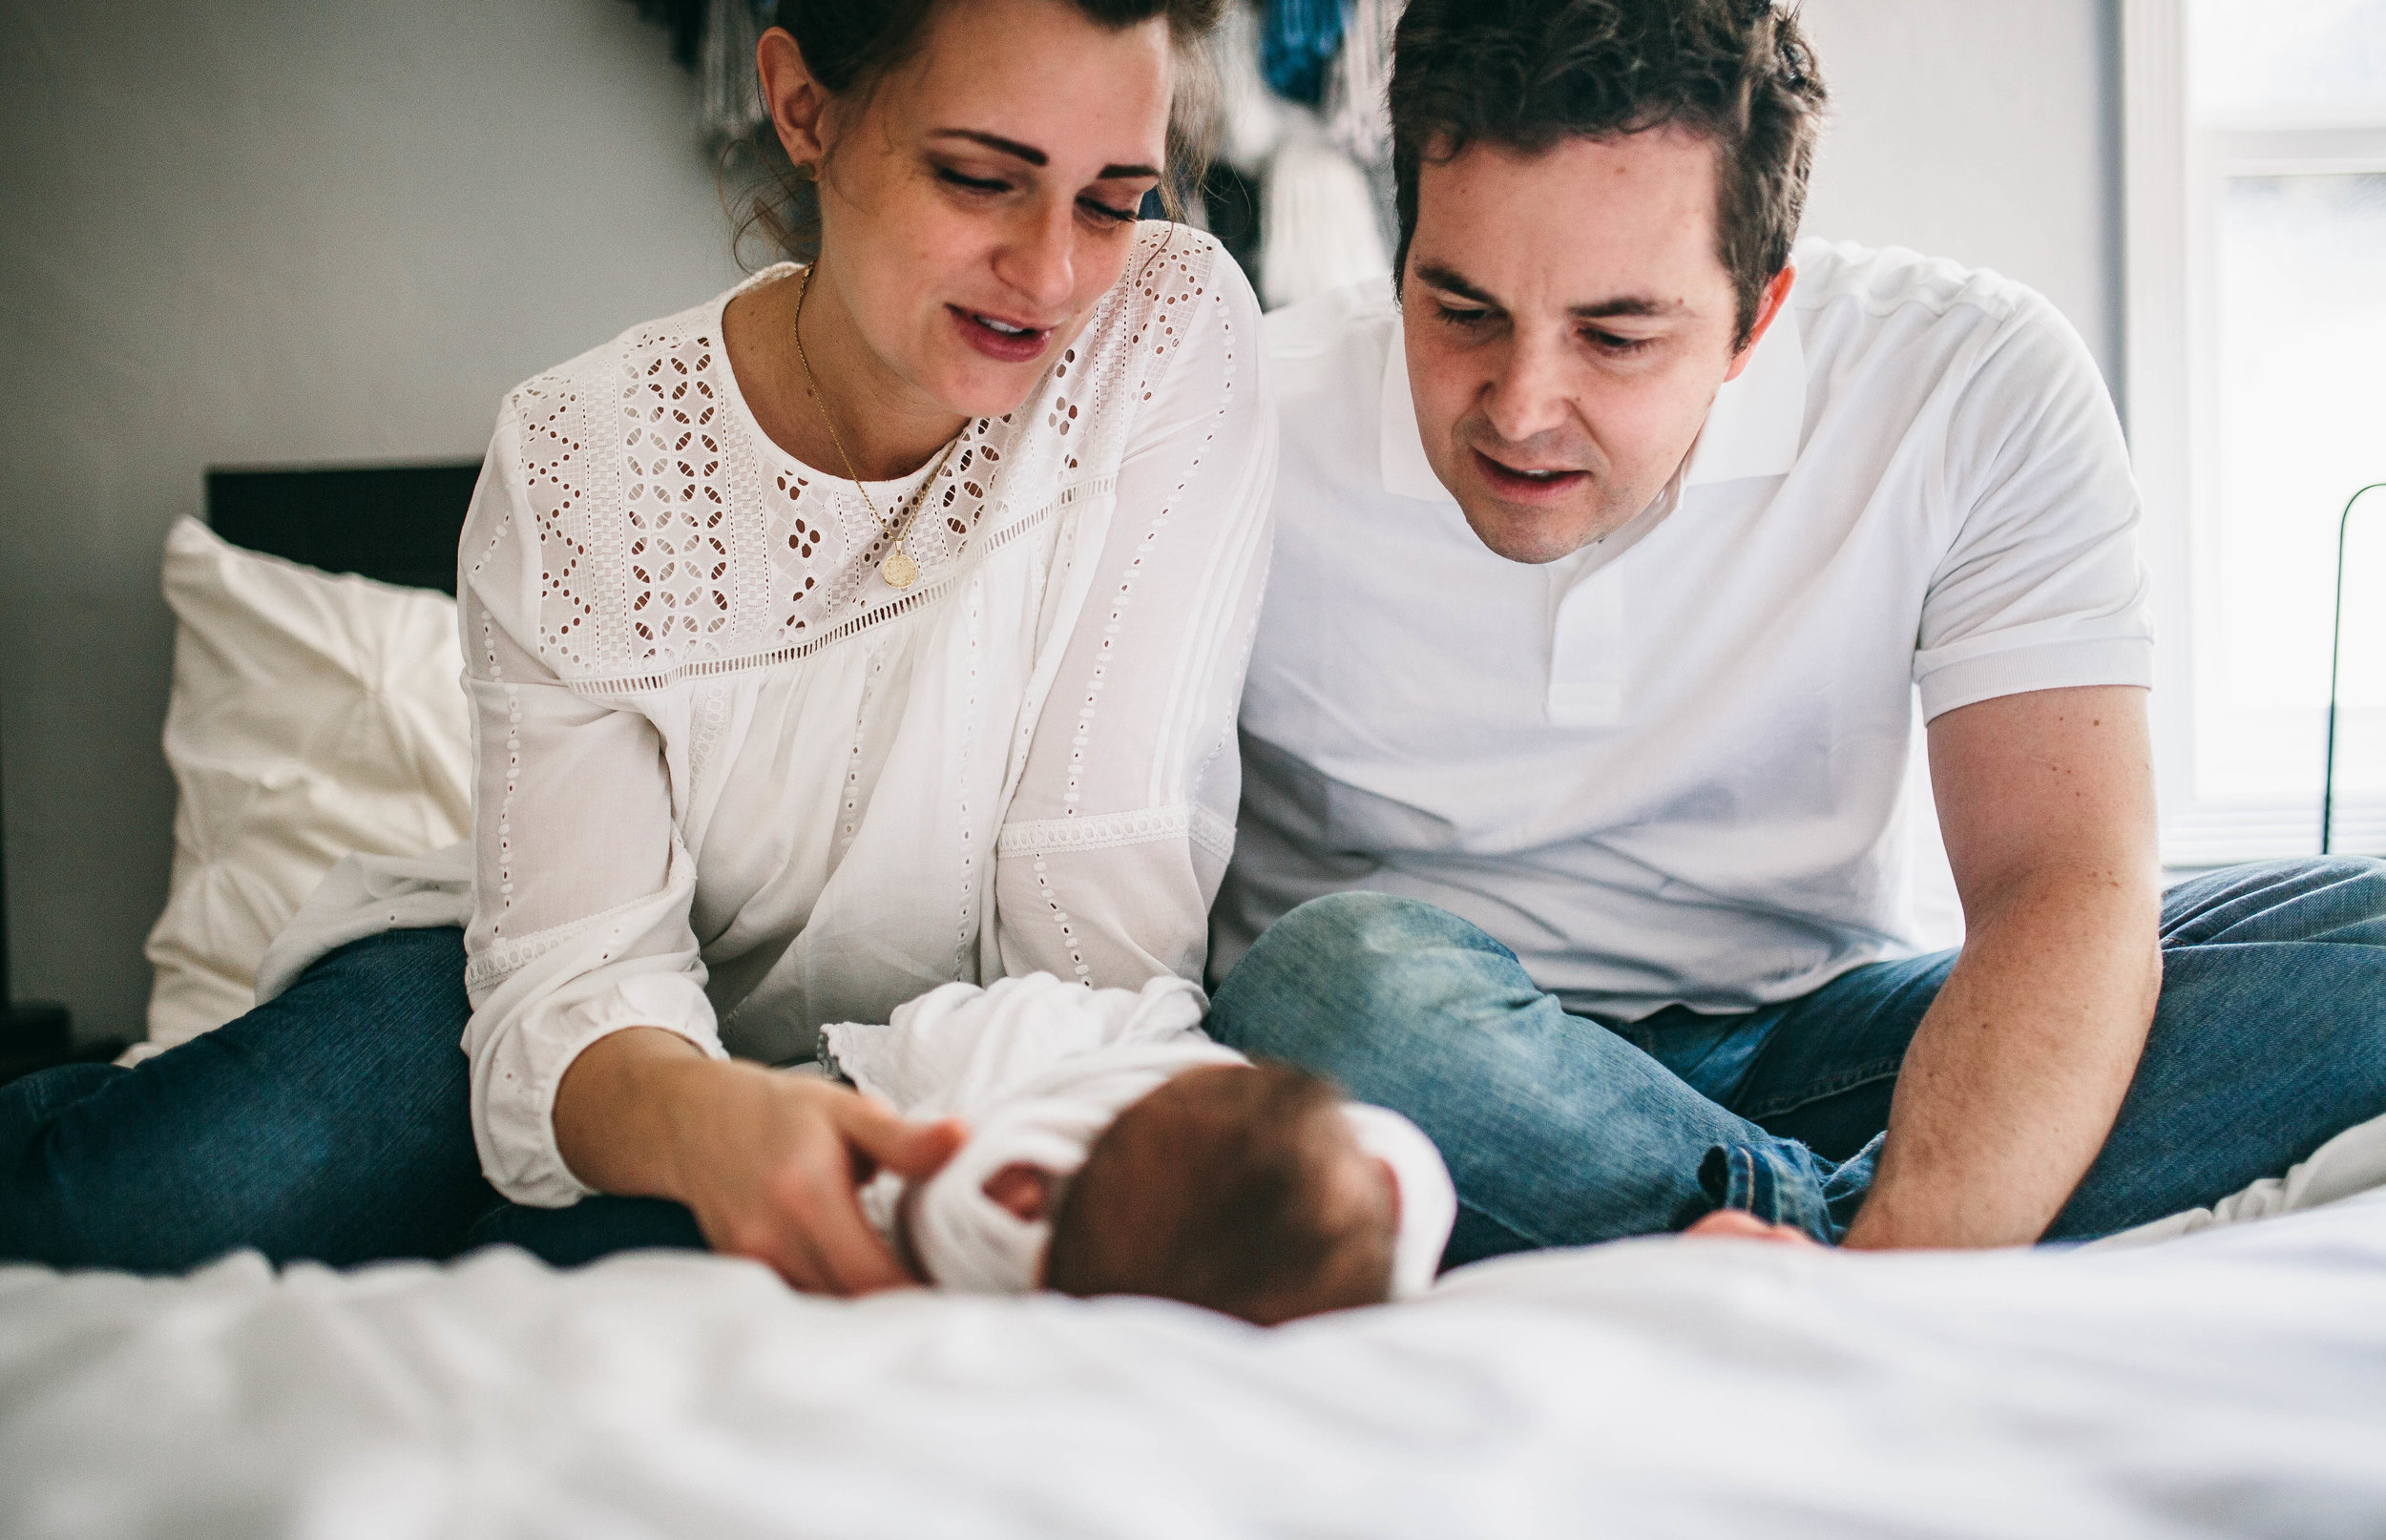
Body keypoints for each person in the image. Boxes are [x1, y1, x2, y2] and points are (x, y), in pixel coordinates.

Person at [0, 0, 1276, 1295]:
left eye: (1113, 201)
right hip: (536, 1007)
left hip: (966, 1066)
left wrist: (832, 1112)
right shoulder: (580, 456)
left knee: (593, 1298)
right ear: (803, 107)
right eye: (980, 178)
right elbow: (573, 977)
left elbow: (1094, 948)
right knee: (168, 1193)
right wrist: (707, 1118)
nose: (1054, 273)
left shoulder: (1165, 334)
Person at [1203, 0, 2386, 1261]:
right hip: (1436, 1055)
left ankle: (1736, 1229)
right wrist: (1922, 1224)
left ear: (1758, 316)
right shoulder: (1229, 420)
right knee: (1324, 987)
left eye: (1616, 334)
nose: (1520, 405)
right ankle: (1834, 1210)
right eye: (1461, 308)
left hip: (1829, 1038)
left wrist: (1901, 1247)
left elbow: (2061, 876)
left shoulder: (1970, 377)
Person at [819, 971, 1453, 1323]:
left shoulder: (976, 1211)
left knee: (969, 1035)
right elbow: (1408, 1179)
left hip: (1038, 1056)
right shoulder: (1370, 1226)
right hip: (1103, 1046)